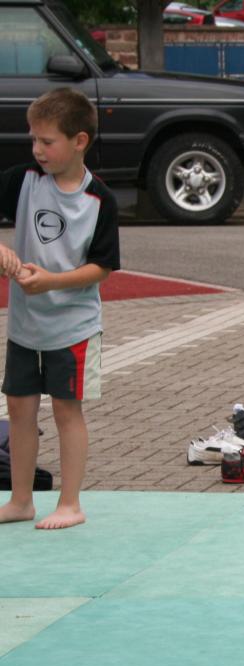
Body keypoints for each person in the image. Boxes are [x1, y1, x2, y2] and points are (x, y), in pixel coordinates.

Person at [0, 88, 119, 531]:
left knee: (67, 411)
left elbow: (101, 268)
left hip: (74, 329)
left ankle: (70, 503)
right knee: (19, 410)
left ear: (79, 141)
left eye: (47, 142)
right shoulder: (22, 180)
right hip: (23, 327)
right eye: (33, 140)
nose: (37, 150)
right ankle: (21, 500)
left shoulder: (100, 200)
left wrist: (50, 282)